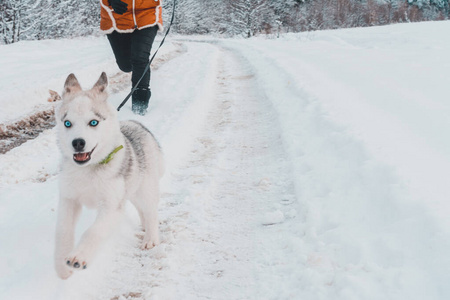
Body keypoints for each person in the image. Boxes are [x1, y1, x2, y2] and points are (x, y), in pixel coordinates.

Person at [99, 0, 163, 115]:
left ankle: (139, 106)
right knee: (126, 65)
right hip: (116, 17)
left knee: (140, 58)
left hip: (147, 16)